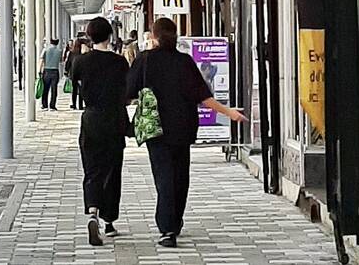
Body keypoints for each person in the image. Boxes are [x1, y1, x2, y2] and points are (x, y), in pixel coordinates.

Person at [127, 18, 246, 249]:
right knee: (180, 176)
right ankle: (175, 220)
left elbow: (128, 92)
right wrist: (229, 113)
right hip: (183, 128)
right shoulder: (185, 62)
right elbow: (203, 96)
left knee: (164, 177)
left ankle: (167, 229)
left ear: (154, 36)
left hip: (156, 128)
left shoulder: (145, 60)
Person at [72, 18, 129, 246]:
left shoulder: (80, 62)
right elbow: (128, 91)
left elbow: (75, 83)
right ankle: (109, 221)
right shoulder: (120, 62)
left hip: (91, 120)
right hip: (115, 120)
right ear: (110, 36)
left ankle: (93, 211)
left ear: (90, 37)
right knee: (112, 171)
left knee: (92, 170)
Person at [39, 38, 63, 111]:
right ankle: (52, 105)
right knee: (54, 89)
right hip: (55, 71)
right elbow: (61, 61)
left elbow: (41, 60)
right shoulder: (59, 51)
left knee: (45, 89)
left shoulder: (46, 50)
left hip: (46, 70)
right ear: (57, 43)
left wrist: (39, 70)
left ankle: (44, 105)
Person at [64, 38, 85, 110]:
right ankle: (80, 105)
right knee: (81, 90)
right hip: (81, 74)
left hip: (73, 73)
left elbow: (68, 63)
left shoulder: (72, 53)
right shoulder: (82, 54)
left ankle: (74, 104)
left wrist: (66, 71)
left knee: (74, 90)